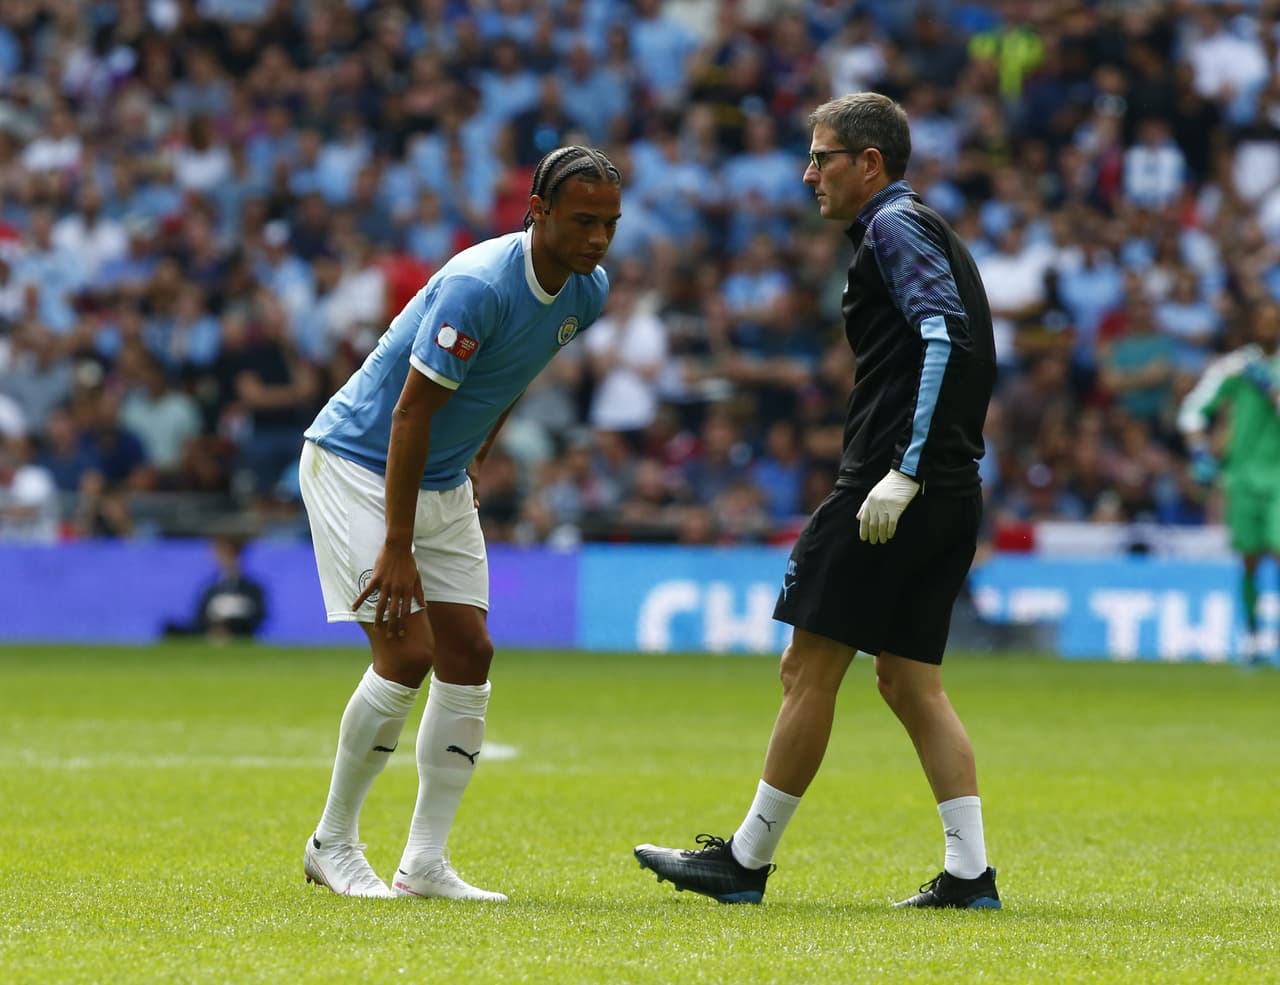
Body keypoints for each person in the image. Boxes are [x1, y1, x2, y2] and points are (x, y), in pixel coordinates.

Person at [633, 93, 1001, 908]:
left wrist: (903, 469)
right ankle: (970, 873)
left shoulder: (893, 227)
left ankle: (745, 861)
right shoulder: (928, 229)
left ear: (869, 162)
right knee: (908, 680)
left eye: (821, 156)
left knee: (807, 666)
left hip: (891, 487)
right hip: (951, 489)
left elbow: (945, 335)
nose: (808, 174)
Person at [298, 146, 621, 899]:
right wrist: (397, 545)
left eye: (610, 223)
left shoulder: (588, 292)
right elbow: (409, 413)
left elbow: (513, 373)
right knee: (408, 651)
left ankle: (424, 863)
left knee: (469, 652)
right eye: (583, 221)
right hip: (358, 464)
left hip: (439, 476)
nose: (599, 238)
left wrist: (476, 453)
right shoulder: (479, 286)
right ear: (537, 210)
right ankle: (332, 843)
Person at [1178, 302, 1280, 665]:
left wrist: (1271, 388)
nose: (1269, 326)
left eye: (1274, 319)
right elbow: (1193, 410)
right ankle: (1252, 639)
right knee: (1249, 559)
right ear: (1252, 325)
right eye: (1263, 319)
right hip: (1242, 478)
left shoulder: (1260, 371)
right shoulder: (1234, 367)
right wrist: (1200, 453)